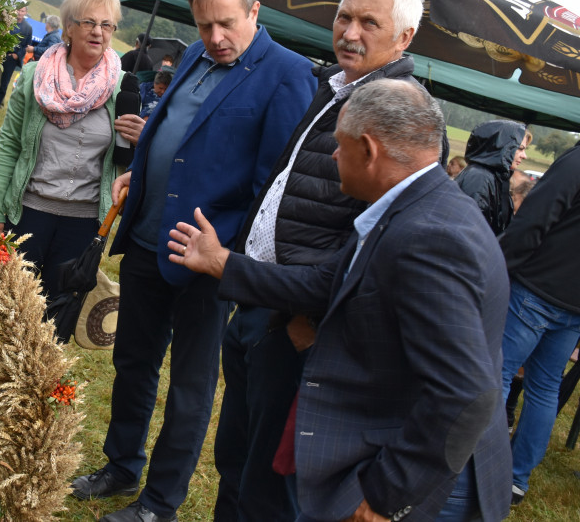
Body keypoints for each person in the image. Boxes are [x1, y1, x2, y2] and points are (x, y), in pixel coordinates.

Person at [169, 80, 512, 522]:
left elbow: (466, 393)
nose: (333, 156)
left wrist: (387, 496)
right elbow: (325, 282)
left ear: (368, 151)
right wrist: (223, 264)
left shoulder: (429, 237)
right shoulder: (409, 208)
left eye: (340, 145)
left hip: (425, 487)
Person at [70, 0, 316, 522]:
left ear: (255, 12)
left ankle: (160, 502)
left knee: (189, 386)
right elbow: (176, 132)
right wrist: (144, 175)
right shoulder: (195, 57)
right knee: (133, 362)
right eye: (204, 26)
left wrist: (224, 253)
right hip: (147, 239)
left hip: (207, 261)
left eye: (226, 24)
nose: (215, 38)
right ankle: (121, 464)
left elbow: (271, 186)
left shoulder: (287, 74)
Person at [212, 0, 449, 522]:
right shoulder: (336, 86)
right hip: (260, 300)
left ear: (404, 39)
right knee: (236, 457)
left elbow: (376, 244)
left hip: (299, 324)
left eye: (371, 22)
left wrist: (302, 319)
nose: (350, 32)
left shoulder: (396, 114)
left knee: (267, 482)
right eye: (345, 16)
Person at [0, 0, 145, 408]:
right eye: (89, 22)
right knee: (11, 298)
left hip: (84, 219)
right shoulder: (37, 76)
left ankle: (34, 382)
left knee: (60, 303)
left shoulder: (123, 86)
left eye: (107, 25)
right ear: (69, 27)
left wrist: (141, 140)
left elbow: (128, 162)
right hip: (30, 209)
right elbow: (9, 146)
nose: (98, 32)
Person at [498, 140, 580, 507]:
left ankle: (479, 464)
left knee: (496, 374)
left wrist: (501, 264)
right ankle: (515, 479)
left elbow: (536, 215)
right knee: (544, 388)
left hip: (538, 287)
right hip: (573, 302)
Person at [456, 121, 530, 234]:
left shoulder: (497, 178)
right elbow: (468, 231)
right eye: (520, 149)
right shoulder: (479, 178)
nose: (524, 156)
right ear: (502, 147)